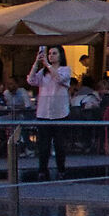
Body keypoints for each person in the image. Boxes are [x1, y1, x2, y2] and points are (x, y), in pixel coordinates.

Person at [29, 46, 72, 181]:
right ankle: (42, 169)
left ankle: (61, 169)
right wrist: (37, 63)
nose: (51, 56)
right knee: (43, 145)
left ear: (60, 56)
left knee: (60, 144)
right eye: (50, 54)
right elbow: (31, 80)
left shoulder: (65, 70)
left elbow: (59, 78)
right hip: (43, 113)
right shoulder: (43, 73)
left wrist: (47, 64)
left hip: (60, 113)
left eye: (54, 53)